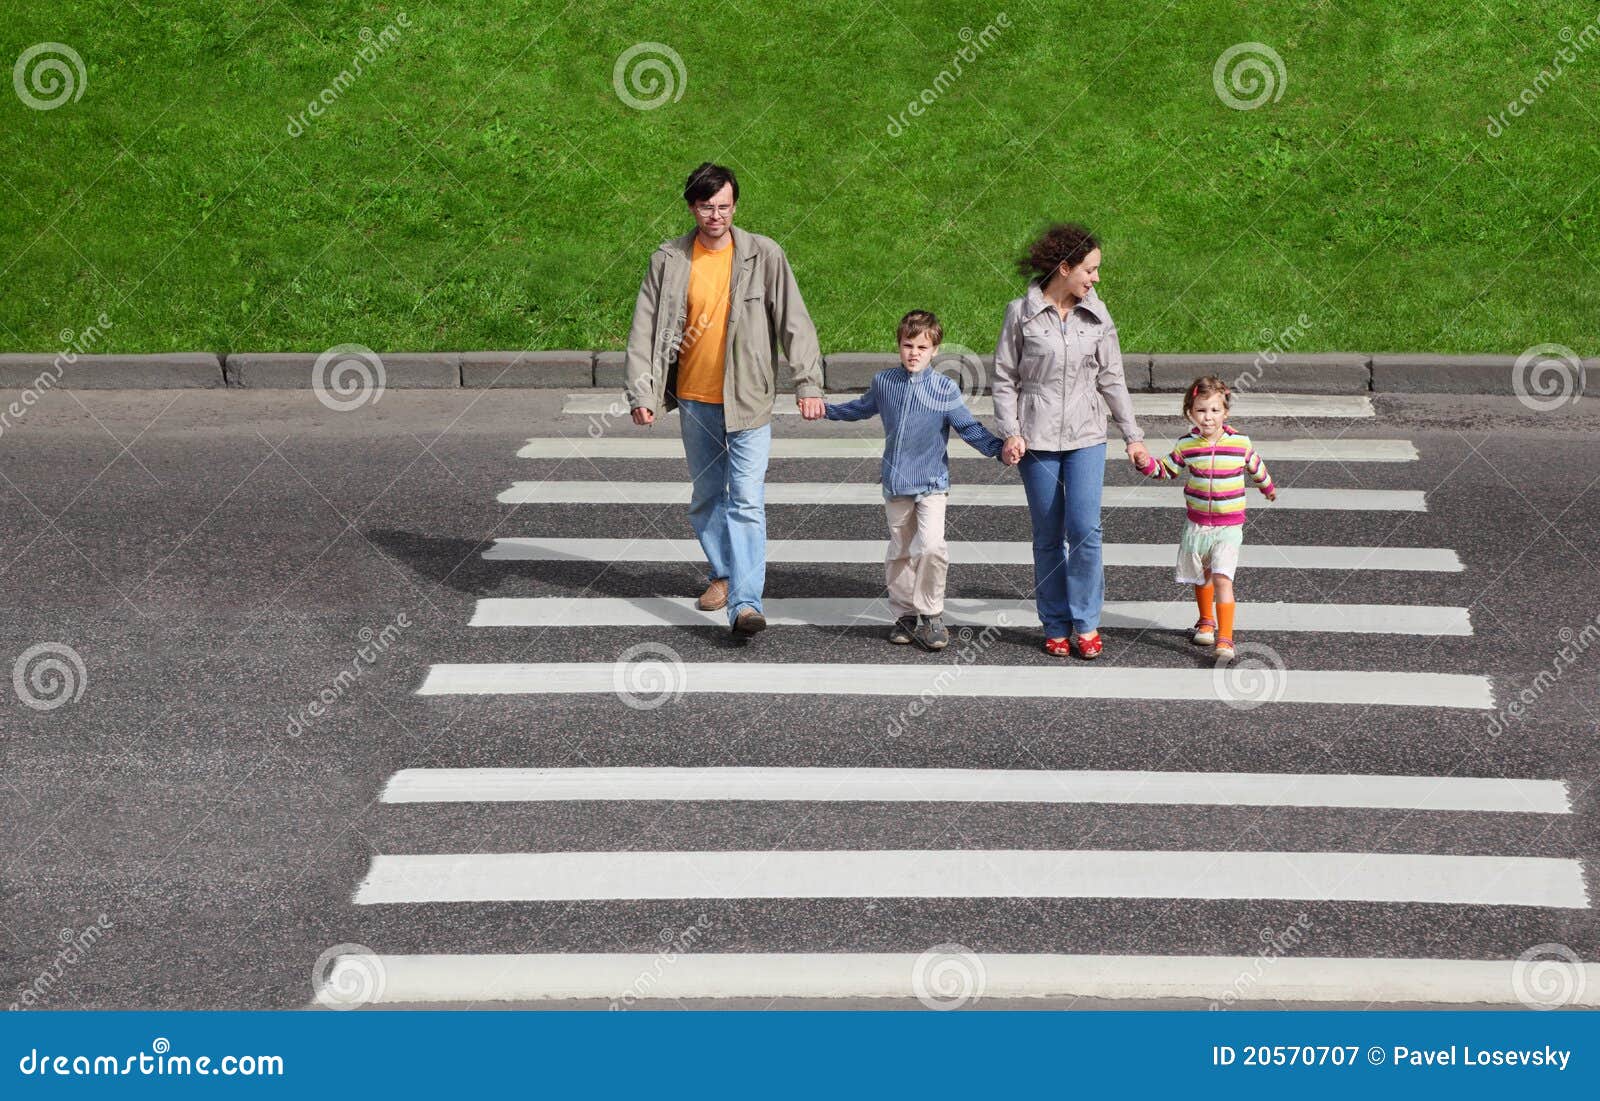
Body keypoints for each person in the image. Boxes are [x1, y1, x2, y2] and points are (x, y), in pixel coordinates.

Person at [624, 162, 826, 637]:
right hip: (695, 398)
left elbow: (794, 322)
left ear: (735, 205)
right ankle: (724, 571)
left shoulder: (763, 254)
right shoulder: (669, 259)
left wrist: (808, 383)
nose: (716, 215)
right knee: (707, 498)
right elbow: (644, 330)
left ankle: (746, 603)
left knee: (748, 501)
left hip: (749, 398)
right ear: (692, 207)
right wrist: (643, 391)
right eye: (706, 207)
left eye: (724, 206)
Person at [992, 223, 1151, 659]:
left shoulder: (1098, 315)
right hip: (1036, 440)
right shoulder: (1020, 313)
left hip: (1086, 437)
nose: (1096, 278)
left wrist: (1132, 438)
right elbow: (1004, 379)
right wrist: (1011, 432)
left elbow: (1112, 379)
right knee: (1048, 536)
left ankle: (1086, 622)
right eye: (1090, 269)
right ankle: (1055, 623)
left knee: (1085, 531)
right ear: (1064, 268)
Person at [822, 310, 1011, 651]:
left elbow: (968, 428)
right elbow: (860, 408)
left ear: (935, 350)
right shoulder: (884, 383)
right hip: (896, 483)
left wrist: (999, 450)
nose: (914, 353)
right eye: (908, 345)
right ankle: (905, 614)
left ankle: (932, 612)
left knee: (933, 546)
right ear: (898, 346)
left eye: (922, 347)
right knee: (900, 551)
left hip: (932, 482)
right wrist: (824, 409)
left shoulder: (944, 388)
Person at [1132, 375, 1277, 662]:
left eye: (1214, 410)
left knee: (1223, 578)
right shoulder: (1187, 445)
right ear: (1190, 412)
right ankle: (1206, 621)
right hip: (1198, 524)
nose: (1208, 417)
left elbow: (1256, 467)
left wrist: (1267, 488)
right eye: (1201, 410)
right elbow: (1166, 471)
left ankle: (1225, 638)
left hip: (1229, 526)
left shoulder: (1240, 443)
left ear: (1226, 412)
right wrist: (1145, 464)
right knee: (1202, 576)